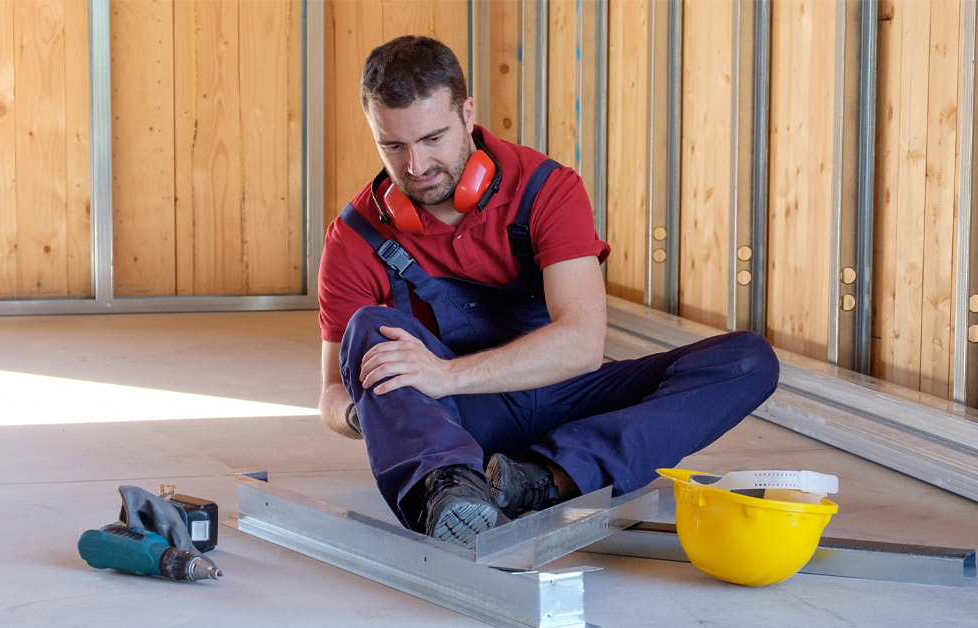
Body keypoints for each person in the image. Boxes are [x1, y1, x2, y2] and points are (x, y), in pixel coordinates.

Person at [317, 35, 779, 550]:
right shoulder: (356, 236)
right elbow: (331, 396)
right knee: (368, 328)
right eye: (393, 146)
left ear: (468, 114)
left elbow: (581, 346)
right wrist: (382, 407)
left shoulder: (545, 189)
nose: (415, 166)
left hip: (566, 394)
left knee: (748, 360)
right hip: (460, 421)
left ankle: (540, 479)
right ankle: (449, 491)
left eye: (432, 139)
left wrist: (445, 374)